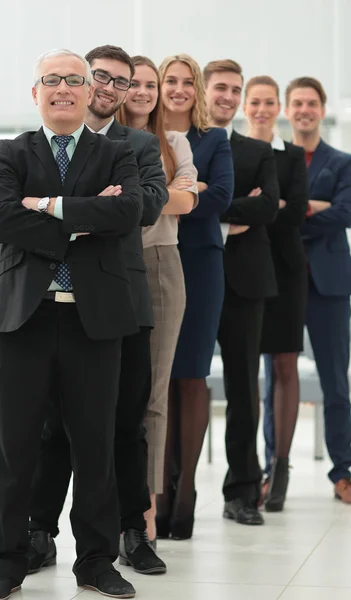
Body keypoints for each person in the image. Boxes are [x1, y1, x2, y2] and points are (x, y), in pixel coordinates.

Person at [0, 48, 143, 600]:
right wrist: (82, 216)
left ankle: (95, 561)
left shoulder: (116, 154)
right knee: (15, 449)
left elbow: (127, 212)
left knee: (95, 447)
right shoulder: (11, 153)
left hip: (95, 318)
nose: (63, 88)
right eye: (51, 80)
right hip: (24, 318)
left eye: (73, 80)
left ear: (90, 93)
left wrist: (48, 206)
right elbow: (3, 214)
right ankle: (9, 557)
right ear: (34, 92)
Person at [27, 45, 169, 578]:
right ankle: (39, 532)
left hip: (121, 299)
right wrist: (98, 206)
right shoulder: (40, 144)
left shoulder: (138, 143)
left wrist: (67, 209)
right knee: (51, 426)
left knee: (125, 422)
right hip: (51, 300)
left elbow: (146, 206)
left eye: (121, 82)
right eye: (101, 77)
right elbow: (24, 214)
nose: (110, 88)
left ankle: (133, 531)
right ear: (85, 81)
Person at [118, 55, 198, 551]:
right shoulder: (103, 142)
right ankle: (104, 507)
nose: (144, 92)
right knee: (106, 395)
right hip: (107, 268)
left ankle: (144, 511)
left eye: (151, 84)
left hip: (162, 265)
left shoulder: (174, 143)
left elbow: (188, 200)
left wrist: (127, 196)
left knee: (154, 394)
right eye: (136, 84)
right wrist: (157, 194)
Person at [156, 54, 234, 540]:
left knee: (190, 376)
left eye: (189, 82)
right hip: (153, 261)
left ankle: (185, 495)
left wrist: (178, 191)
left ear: (198, 90)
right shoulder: (144, 133)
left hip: (201, 264)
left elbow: (222, 196)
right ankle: (157, 494)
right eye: (172, 81)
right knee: (158, 378)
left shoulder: (214, 139)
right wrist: (187, 188)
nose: (180, 89)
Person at [264, 77, 351, 505]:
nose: (303, 110)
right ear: (287, 109)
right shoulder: (274, 157)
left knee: (336, 382)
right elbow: (268, 209)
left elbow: (346, 214)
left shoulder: (342, 161)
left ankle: (343, 471)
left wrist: (294, 209)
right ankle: (271, 470)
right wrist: (317, 206)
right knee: (275, 379)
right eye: (297, 103)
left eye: (311, 103)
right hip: (281, 278)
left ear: (322, 109)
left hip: (329, 284)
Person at [204, 59, 279, 526]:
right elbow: (171, 201)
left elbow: (268, 206)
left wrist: (208, 200)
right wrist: (234, 207)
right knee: (179, 388)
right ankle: (168, 492)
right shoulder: (184, 145)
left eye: (236, 89)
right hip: (193, 275)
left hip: (246, 282)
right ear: (202, 90)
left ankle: (243, 492)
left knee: (242, 390)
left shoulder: (256, 150)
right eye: (220, 88)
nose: (229, 97)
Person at [243, 75, 308, 511]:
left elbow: (296, 210)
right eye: (256, 102)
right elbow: (232, 203)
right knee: (246, 370)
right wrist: (270, 203)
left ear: (279, 106)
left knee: (285, 366)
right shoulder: (234, 149)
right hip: (244, 268)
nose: (263, 109)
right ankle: (247, 470)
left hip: (285, 270)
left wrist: (261, 205)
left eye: (270, 102)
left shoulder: (293, 155)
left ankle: (279, 467)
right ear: (245, 106)